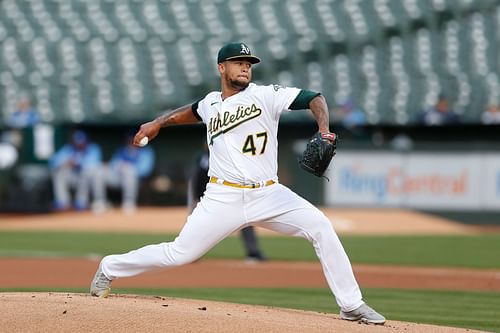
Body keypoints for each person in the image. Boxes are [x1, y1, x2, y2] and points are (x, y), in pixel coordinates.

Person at [90, 42, 386, 325]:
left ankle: (351, 305)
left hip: (268, 193)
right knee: (180, 254)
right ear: (222, 68)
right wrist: (158, 122)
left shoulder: (266, 95)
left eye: (248, 63)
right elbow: (189, 111)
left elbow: (314, 97)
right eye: (238, 63)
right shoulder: (210, 103)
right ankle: (109, 266)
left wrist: (324, 130)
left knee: (320, 226)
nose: (245, 67)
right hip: (222, 196)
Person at [188, 146, 267, 262]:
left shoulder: (228, 155)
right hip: (206, 197)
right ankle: (192, 254)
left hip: (229, 195)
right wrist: (195, 198)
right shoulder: (202, 157)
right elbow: (197, 178)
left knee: (245, 221)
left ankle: (253, 252)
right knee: (199, 226)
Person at [92, 133, 155, 215]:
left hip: (137, 180)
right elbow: (113, 163)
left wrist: (129, 167)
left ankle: (129, 204)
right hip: (119, 177)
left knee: (129, 171)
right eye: (130, 140)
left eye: (134, 140)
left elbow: (145, 170)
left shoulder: (146, 151)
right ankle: (99, 202)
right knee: (99, 170)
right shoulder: (122, 150)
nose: (131, 142)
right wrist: (118, 166)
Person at [49, 130, 102, 211]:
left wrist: (78, 164)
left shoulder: (93, 148)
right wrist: (66, 162)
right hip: (72, 177)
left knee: (87, 173)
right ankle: (63, 202)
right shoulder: (68, 149)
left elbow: (94, 164)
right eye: (77, 143)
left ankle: (82, 202)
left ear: (86, 141)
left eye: (82, 142)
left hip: (87, 178)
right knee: (59, 173)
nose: (80, 144)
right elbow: (53, 162)